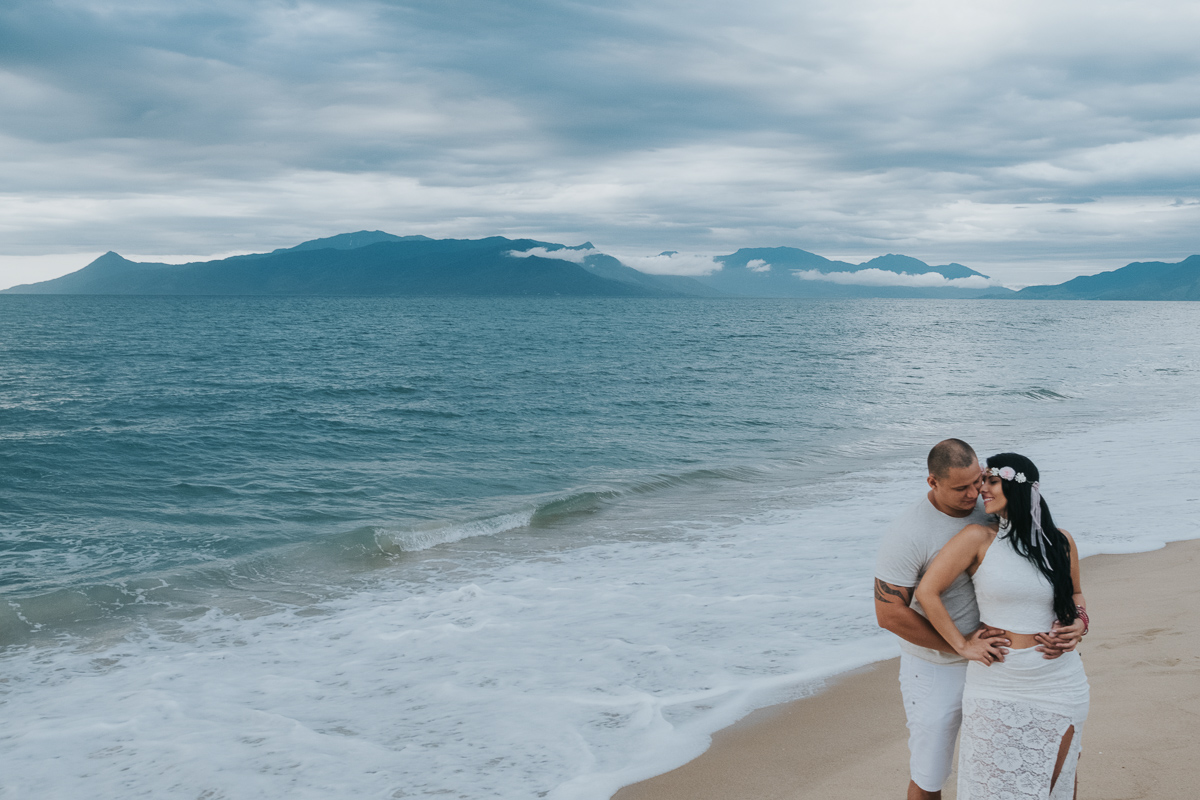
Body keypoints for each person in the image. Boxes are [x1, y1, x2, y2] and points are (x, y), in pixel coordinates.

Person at [874, 440, 1083, 800]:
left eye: (980, 480)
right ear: (933, 483)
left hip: (1010, 664)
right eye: (963, 488)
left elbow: (1062, 586)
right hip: (939, 663)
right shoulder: (909, 534)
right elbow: (890, 612)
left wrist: (1080, 622)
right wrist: (961, 645)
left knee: (1055, 769)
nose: (975, 493)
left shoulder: (993, 512)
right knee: (931, 771)